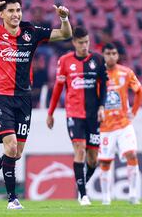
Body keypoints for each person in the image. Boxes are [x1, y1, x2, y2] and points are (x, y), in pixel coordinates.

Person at [0, 0, 72, 209]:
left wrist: (64, 18)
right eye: (11, 11)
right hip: (0, 96)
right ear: (2, 14)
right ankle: (12, 199)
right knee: (11, 146)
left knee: (17, 152)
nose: (16, 14)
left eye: (18, 10)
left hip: (24, 98)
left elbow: (65, 35)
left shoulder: (31, 32)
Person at [46, 26, 108, 206]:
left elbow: (103, 86)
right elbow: (58, 89)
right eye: (81, 43)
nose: (84, 46)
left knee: (93, 159)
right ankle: (83, 195)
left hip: (93, 115)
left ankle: (80, 184)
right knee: (79, 149)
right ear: (74, 43)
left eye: (87, 42)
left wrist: (102, 107)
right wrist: (50, 113)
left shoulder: (97, 59)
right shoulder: (65, 61)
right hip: (74, 112)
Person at [98, 43, 142, 205]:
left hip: (124, 124)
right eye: (108, 53)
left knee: (132, 154)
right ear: (103, 55)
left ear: (117, 55)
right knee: (105, 161)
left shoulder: (126, 73)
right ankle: (106, 198)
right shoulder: (97, 74)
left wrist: (134, 112)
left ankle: (133, 195)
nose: (111, 56)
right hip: (104, 126)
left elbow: (140, 91)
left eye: (113, 53)